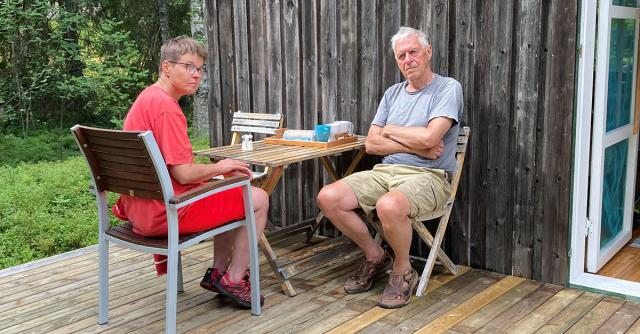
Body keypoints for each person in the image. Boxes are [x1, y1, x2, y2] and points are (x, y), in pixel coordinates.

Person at [111, 36, 268, 309]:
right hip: (164, 213)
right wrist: (220, 167)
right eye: (188, 67)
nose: (196, 75)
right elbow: (183, 174)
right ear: (166, 67)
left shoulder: (147, 97)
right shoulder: (166, 109)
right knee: (255, 198)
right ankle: (233, 278)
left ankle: (218, 273)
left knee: (230, 191)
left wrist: (216, 174)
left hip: (140, 208)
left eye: (200, 69)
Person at [316, 26, 463, 309]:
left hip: (429, 176)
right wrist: (413, 144)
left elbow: (432, 138)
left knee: (389, 206)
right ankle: (374, 256)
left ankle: (403, 269)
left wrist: (391, 130)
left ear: (428, 52)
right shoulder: (392, 93)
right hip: (385, 172)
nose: (407, 60)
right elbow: (371, 144)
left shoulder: (447, 88)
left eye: (413, 52)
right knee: (328, 197)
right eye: (401, 56)